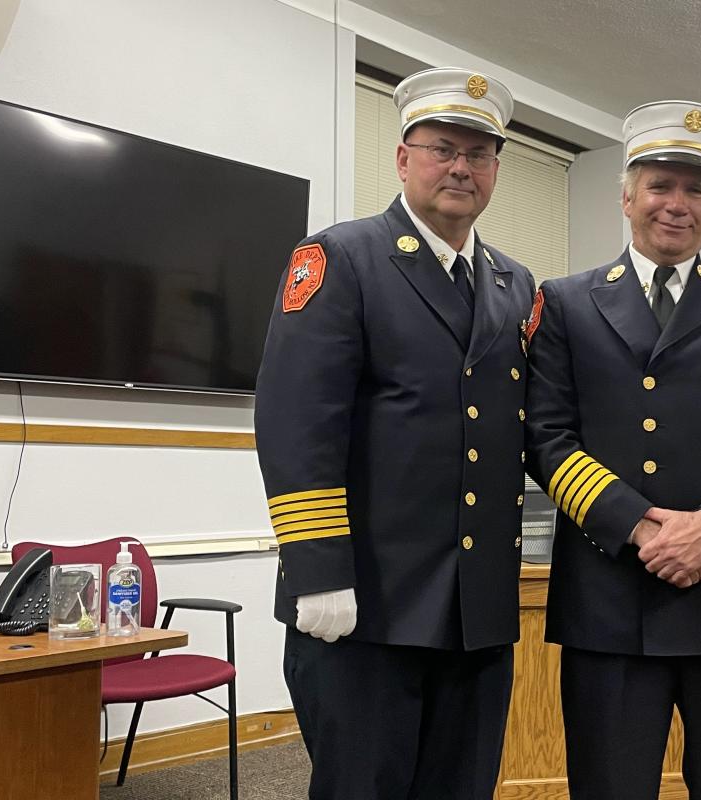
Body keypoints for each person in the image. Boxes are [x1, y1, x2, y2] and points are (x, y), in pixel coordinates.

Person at [255, 67, 536, 800]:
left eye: (478, 155)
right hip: (364, 604)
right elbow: (296, 420)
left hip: (475, 610)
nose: (460, 168)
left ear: (496, 171)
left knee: (461, 788)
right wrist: (317, 568)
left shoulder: (514, 284)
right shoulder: (341, 258)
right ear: (403, 158)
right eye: (443, 147)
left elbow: (517, 426)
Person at [524, 100, 701, 799]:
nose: (676, 204)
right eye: (660, 185)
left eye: (697, 189)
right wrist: (643, 527)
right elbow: (544, 436)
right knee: (609, 786)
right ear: (626, 195)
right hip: (609, 594)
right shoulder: (565, 302)